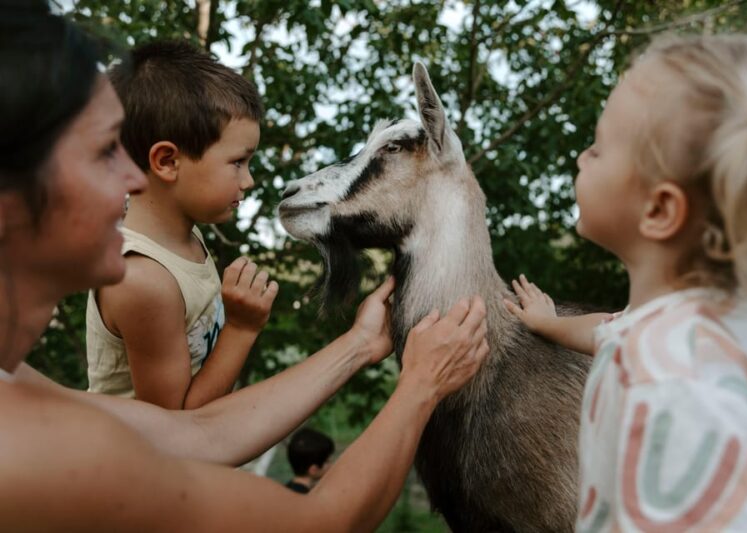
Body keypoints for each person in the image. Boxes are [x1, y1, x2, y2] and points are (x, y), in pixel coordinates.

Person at [0, 5, 490, 531]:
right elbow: (320, 523)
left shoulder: (17, 386)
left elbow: (199, 436)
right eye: (103, 152)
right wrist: (420, 386)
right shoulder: (31, 453)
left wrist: (360, 345)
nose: (134, 177)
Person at [507, 34, 747, 530]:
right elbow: (612, 330)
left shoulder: (672, 390)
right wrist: (551, 324)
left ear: (661, 210)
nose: (581, 157)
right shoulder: (708, 322)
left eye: (598, 149)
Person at [85, 40, 277, 408]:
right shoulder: (142, 279)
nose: (248, 180)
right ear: (168, 161)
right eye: (238, 161)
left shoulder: (185, 239)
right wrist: (242, 327)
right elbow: (175, 424)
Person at [285, 427, 335, 494]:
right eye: (328, 461)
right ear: (313, 470)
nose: (332, 464)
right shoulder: (309, 498)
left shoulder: (285, 490)